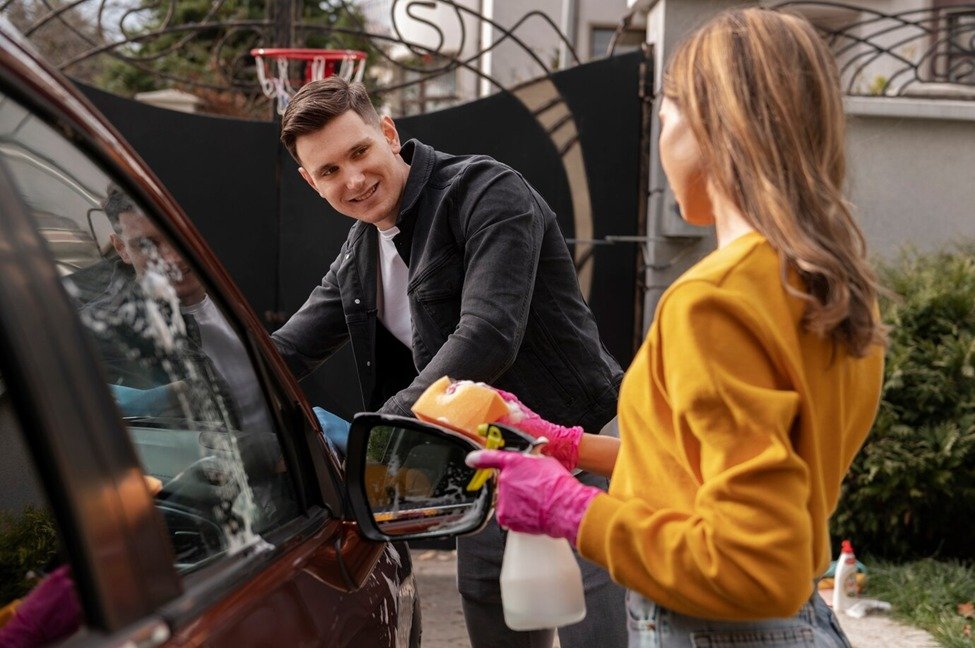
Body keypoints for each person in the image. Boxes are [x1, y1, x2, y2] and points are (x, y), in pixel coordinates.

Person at [469, 8, 887, 647]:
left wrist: (569, 508)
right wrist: (566, 446)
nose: (660, 141)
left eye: (664, 118)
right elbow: (703, 472)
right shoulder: (825, 290)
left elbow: (754, 564)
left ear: (712, 126)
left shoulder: (714, 303)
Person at [271, 77, 627, 647]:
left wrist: (381, 433)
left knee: (599, 622)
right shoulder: (359, 253)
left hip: (574, 441)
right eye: (329, 171)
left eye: (359, 152)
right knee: (492, 608)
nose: (354, 180)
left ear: (387, 132)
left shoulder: (486, 190)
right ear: (310, 182)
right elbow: (286, 352)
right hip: (482, 457)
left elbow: (488, 334)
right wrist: (191, 386)